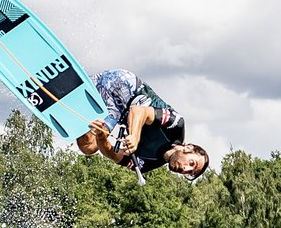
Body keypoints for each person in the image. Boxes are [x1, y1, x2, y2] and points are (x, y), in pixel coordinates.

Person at [75, 69, 209, 179]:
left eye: (190, 172)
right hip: (124, 86)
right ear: (188, 148)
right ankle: (80, 86)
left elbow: (114, 155)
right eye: (191, 163)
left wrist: (101, 137)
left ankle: (75, 101)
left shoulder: (146, 165)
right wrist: (134, 137)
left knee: (89, 147)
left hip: (115, 111)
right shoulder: (176, 125)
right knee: (91, 144)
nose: (186, 169)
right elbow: (138, 111)